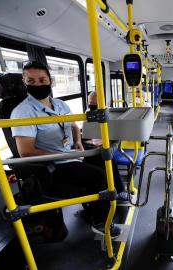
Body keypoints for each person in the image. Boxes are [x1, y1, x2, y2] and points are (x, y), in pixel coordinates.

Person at [10, 61, 123, 238]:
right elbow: (26, 152)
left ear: (51, 81)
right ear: (25, 83)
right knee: (98, 176)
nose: (38, 84)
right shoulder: (22, 112)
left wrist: (77, 142)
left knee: (106, 157)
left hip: (70, 150)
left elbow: (73, 126)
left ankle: (119, 194)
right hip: (53, 163)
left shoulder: (60, 105)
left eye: (42, 80)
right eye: (31, 81)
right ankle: (100, 222)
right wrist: (64, 154)